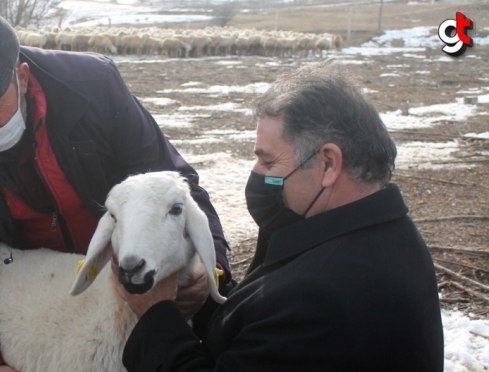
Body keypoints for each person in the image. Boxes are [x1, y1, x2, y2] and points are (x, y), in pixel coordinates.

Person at [0, 11, 231, 372]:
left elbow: (172, 181)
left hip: (124, 261)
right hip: (42, 279)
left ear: (21, 77)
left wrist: (214, 269)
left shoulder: (92, 86)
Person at [114, 62, 444, 371]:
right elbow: (263, 335)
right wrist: (209, 296)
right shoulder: (378, 234)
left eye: (269, 163)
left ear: (328, 163)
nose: (258, 174)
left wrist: (154, 314)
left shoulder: (320, 296)